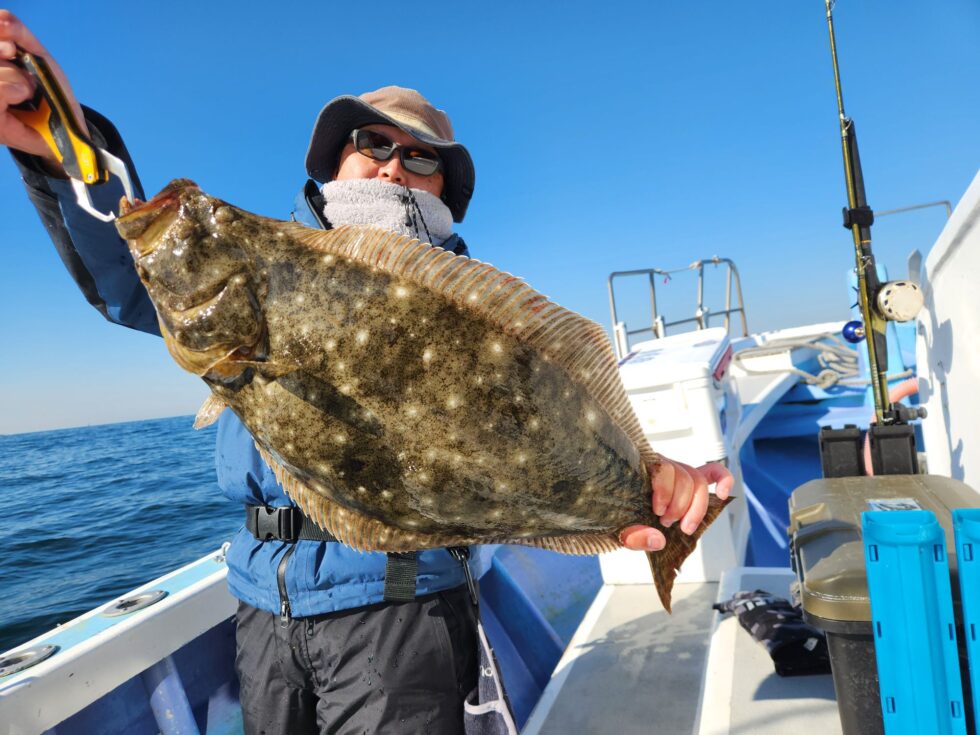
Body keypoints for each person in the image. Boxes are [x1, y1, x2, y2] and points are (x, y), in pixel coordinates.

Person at [0, 10, 734, 734]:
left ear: (444, 190)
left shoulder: (464, 315)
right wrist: (62, 139)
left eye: (420, 158)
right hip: (263, 604)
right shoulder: (268, 264)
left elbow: (540, 423)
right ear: (333, 162)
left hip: (402, 617)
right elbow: (132, 273)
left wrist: (650, 483)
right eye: (371, 142)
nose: (391, 165)